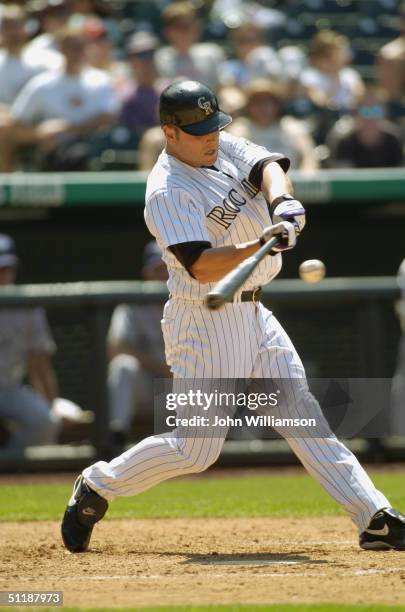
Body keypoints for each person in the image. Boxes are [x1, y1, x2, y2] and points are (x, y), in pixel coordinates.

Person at [61, 80, 405, 553]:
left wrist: (282, 202)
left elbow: (268, 166)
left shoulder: (221, 146)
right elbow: (200, 265)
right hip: (205, 320)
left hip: (256, 312)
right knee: (195, 449)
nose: (211, 137)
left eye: (213, 126)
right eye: (199, 131)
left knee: (303, 417)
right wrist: (259, 241)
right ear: (169, 132)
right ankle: (98, 484)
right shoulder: (167, 190)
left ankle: (374, 517)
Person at [0, 23, 119, 171]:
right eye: (69, 46)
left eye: (79, 46)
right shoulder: (42, 84)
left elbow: (107, 118)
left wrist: (67, 129)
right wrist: (39, 134)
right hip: (55, 156)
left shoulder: (101, 80)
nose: (75, 52)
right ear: (60, 49)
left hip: (95, 150)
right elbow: (15, 129)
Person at [107, 241, 169, 449]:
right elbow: (116, 348)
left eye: (169, 269)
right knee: (122, 365)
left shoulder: (192, 301)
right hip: (147, 387)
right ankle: (117, 436)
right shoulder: (133, 304)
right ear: (146, 273)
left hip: (184, 388)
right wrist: (161, 368)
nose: (165, 275)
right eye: (159, 269)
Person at [0, 234, 59, 449]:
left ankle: (9, 470)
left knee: (44, 423)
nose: (3, 275)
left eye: (6, 269)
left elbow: (40, 364)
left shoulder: (27, 304)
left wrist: (51, 405)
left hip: (9, 389)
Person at [229, 79, 319, 171]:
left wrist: (304, 179)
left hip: (291, 181)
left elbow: (309, 158)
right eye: (257, 102)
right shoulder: (238, 130)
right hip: (249, 183)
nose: (263, 107)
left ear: (277, 104)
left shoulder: (293, 128)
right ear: (248, 105)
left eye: (268, 102)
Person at [155, 1, 225, 92]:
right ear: (167, 32)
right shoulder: (159, 58)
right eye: (180, 27)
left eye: (189, 26)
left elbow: (225, 87)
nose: (185, 32)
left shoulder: (212, 53)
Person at [326, 88, 404, 168]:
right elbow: (343, 176)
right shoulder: (344, 142)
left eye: (376, 111)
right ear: (357, 114)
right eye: (366, 111)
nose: (371, 117)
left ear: (385, 114)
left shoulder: (394, 141)